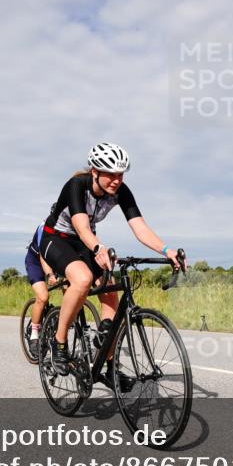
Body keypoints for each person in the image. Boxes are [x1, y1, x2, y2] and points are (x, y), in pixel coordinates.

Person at [38, 142, 182, 390]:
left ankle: (106, 358)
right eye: (110, 174)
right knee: (82, 280)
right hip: (56, 239)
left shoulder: (121, 191)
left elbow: (140, 227)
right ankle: (59, 343)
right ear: (95, 171)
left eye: (120, 174)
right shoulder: (77, 185)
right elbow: (82, 228)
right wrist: (99, 249)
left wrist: (166, 250)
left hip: (85, 242)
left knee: (111, 289)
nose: (117, 180)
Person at [23, 223, 59, 363]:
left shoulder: (69, 228)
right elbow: (43, 257)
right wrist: (50, 274)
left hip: (56, 259)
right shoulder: (44, 228)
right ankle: (34, 333)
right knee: (43, 297)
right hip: (36, 261)